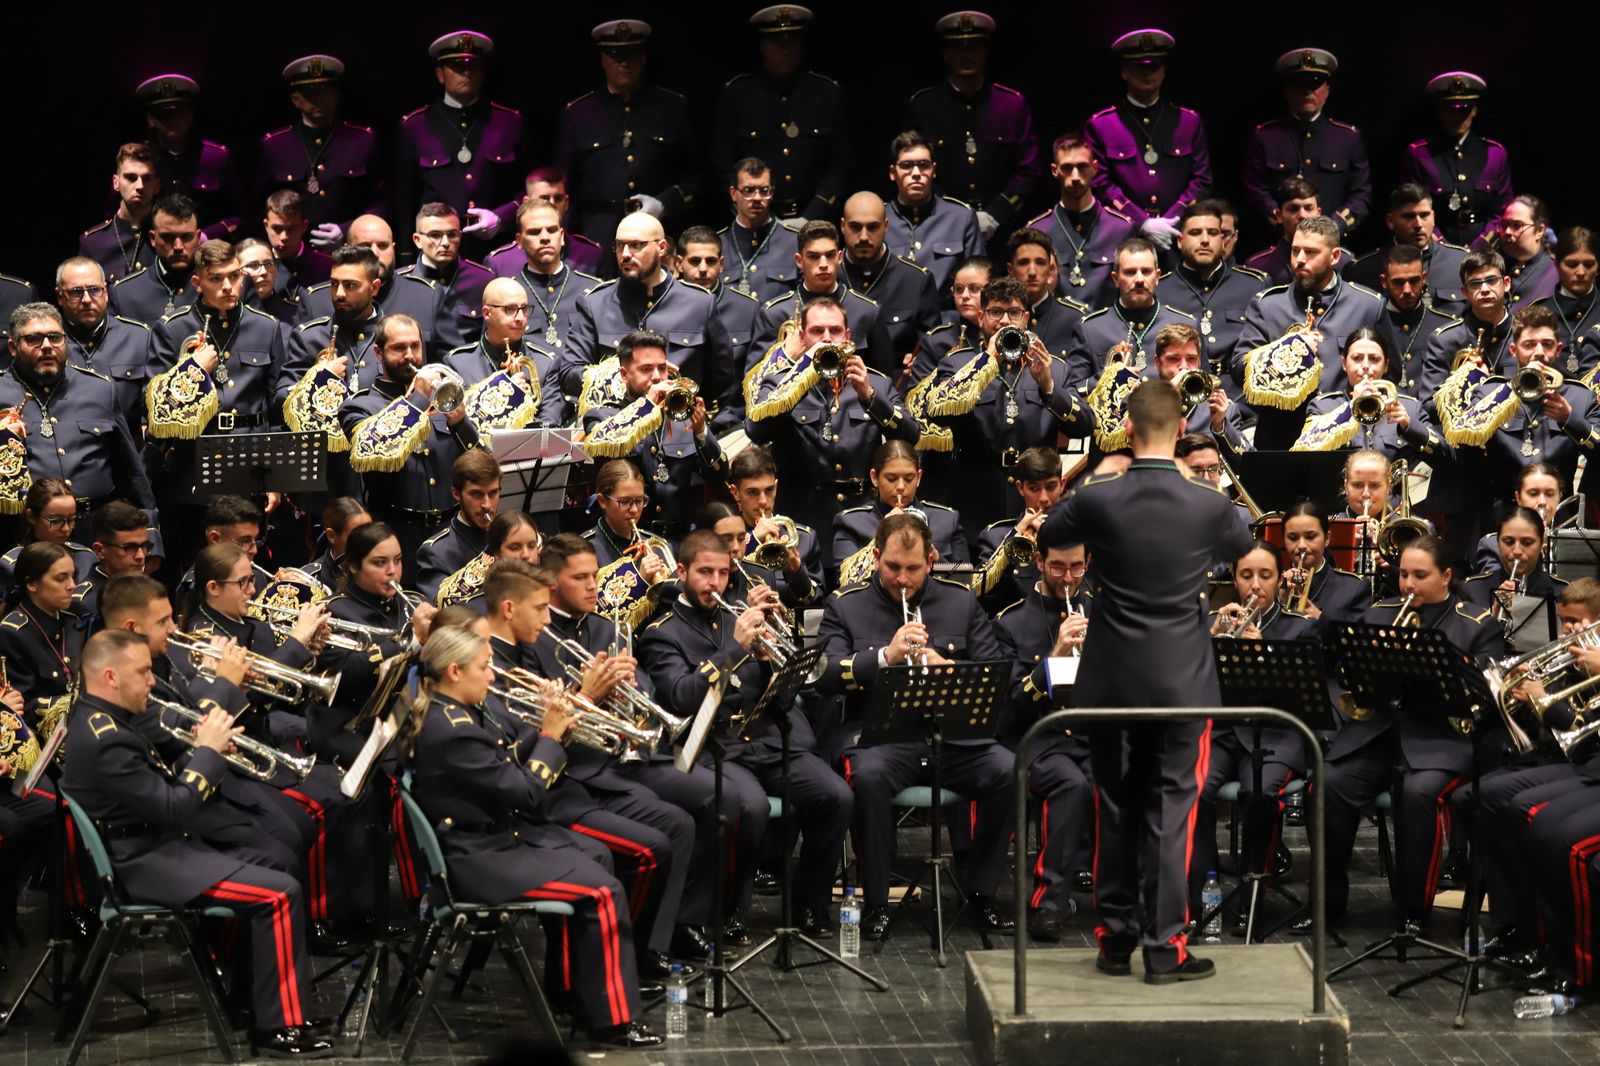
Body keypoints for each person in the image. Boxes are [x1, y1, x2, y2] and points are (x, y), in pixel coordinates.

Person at [1038, 378, 1253, 982]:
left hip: (1110, 678)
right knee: (1171, 811)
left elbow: (1050, 532)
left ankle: (1113, 940)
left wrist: (1088, 472)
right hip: (1182, 678)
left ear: (1127, 430)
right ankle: (1165, 950)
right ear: (1182, 429)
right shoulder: (1210, 502)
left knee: (1115, 804)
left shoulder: (1101, 496)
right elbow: (1243, 542)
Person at [62, 628, 332, 1058]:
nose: (152, 681)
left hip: (158, 847)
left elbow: (162, 787)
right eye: (144, 672)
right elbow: (174, 808)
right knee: (280, 895)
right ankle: (280, 1024)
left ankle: (256, 1001)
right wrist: (207, 751)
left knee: (278, 864)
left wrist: (205, 748)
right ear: (110, 677)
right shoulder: (105, 738)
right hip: (146, 864)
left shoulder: (108, 719)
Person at [404, 621, 661, 1048]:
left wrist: (545, 723)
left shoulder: (452, 712)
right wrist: (550, 736)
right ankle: (613, 1020)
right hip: (476, 859)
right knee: (602, 892)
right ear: (454, 671)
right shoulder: (454, 731)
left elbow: (502, 761)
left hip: (483, 842)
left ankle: (571, 992)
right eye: (484, 667)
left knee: (595, 861)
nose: (492, 674)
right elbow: (524, 791)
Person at [476, 560, 685, 981]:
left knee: (674, 826)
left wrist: (582, 702)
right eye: (540, 607)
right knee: (646, 850)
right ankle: (606, 966)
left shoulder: (523, 649)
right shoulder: (487, 664)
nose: (549, 616)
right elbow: (512, 747)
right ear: (512, 609)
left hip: (568, 781)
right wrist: (581, 699)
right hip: (541, 800)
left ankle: (637, 952)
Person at [638, 529, 852, 938]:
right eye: (704, 573)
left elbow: (780, 691)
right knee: (749, 808)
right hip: (716, 748)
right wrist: (735, 651)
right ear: (682, 572)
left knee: (836, 796)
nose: (715, 583)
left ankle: (809, 903)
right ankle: (728, 909)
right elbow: (683, 696)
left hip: (768, 738)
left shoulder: (739, 614)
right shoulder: (661, 633)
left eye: (721, 573)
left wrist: (772, 656)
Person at [529, 533, 732, 958]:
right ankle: (643, 946)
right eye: (581, 578)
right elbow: (539, 716)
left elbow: (643, 696)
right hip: (576, 771)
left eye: (594, 577)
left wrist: (632, 688)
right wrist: (589, 692)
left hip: (624, 758)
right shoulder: (535, 634)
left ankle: (671, 929)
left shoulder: (607, 625)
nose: (593, 587)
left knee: (716, 802)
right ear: (550, 584)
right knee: (672, 826)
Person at [816, 513, 1016, 941]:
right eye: (892, 567)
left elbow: (993, 673)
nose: (902, 579)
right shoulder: (844, 604)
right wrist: (885, 657)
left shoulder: (961, 602)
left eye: (913, 568)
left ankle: (980, 891)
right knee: (867, 778)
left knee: (1008, 771)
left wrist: (951, 669)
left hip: (952, 737)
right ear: (874, 557)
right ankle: (876, 902)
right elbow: (826, 674)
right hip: (881, 740)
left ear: (931, 559)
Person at [1313, 536, 1506, 934]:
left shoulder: (1476, 623)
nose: (1408, 585)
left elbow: (1487, 690)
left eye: (1420, 575)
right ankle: (1329, 902)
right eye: (1403, 574)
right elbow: (1353, 680)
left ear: (1446, 575)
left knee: (1418, 793)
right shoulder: (1379, 613)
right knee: (1329, 784)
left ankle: (1414, 909)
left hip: (1442, 739)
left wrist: (1442, 661)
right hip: (1380, 732)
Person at [1195, 542, 1318, 932]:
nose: (1255, 585)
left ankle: (1253, 891)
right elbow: (1192, 685)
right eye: (1246, 575)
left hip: (1277, 733)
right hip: (1225, 732)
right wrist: (1210, 642)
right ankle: (1203, 888)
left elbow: (1304, 696)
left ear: (1280, 578)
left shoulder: (1301, 626)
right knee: (1193, 790)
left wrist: (1261, 654)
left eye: (1265, 576)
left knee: (1261, 793)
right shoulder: (1217, 622)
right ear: (1235, 579)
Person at [746, 297, 919, 558]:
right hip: (804, 518)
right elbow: (756, 429)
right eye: (817, 331)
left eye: (835, 330)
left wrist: (869, 396)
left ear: (848, 336)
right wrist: (799, 374)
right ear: (802, 337)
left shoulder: (876, 383)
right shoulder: (782, 382)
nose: (827, 338)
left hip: (861, 520)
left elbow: (911, 436)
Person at [922, 278, 1091, 542]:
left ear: (1026, 318)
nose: (1004, 321)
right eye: (995, 312)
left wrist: (1048, 386)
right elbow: (935, 411)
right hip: (975, 497)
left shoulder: (1054, 367)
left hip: (1033, 497)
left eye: (1013, 313)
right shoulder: (957, 363)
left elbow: (1084, 425)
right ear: (981, 316)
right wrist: (986, 362)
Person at [995, 534, 1093, 941]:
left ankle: (1131, 901)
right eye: (1058, 567)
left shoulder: (1104, 611)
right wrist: (1054, 656)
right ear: (1039, 560)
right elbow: (1010, 708)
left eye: (1076, 567)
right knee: (1070, 784)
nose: (1068, 578)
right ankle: (1048, 904)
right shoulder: (1011, 622)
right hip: (1039, 736)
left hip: (1092, 732)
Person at [341, 313, 484, 565]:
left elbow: (482, 463)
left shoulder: (441, 398)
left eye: (415, 346)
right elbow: (373, 450)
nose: (410, 355)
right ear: (378, 352)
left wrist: (461, 423)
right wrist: (417, 400)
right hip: (397, 538)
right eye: (399, 348)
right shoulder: (360, 407)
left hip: (451, 536)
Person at [1233, 216, 1385, 449]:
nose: (1300, 260)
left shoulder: (1367, 305)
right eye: (1295, 251)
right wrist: (1286, 351)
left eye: (1311, 252)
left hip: (1346, 438)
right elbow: (1238, 369)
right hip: (1282, 437)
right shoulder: (1267, 305)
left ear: (1334, 256)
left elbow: (1387, 374)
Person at [560, 212, 736, 414]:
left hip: (678, 434)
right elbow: (569, 375)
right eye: (619, 245)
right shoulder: (594, 304)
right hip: (615, 431)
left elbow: (721, 380)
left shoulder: (700, 304)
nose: (625, 253)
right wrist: (623, 375)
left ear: (661, 248)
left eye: (636, 245)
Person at [0, 302, 159, 524]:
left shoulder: (99, 389)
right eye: (34, 339)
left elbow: (129, 471)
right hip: (26, 529)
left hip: (94, 524)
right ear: (13, 347)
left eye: (55, 337)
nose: (47, 346)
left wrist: (150, 532)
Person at [553, 20, 701, 255]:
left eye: (631, 55)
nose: (624, 63)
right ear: (602, 60)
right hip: (596, 237)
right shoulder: (579, 113)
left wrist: (666, 203)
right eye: (615, 56)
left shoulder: (672, 107)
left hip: (658, 232)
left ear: (643, 58)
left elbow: (698, 173)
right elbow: (563, 182)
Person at [906, 11, 1041, 242]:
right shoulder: (924, 106)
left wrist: (997, 213)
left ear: (985, 52)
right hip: (941, 230)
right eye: (959, 49)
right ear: (946, 54)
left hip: (1002, 230)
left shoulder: (1011, 105)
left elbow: (1028, 169)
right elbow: (915, 168)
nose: (967, 56)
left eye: (974, 48)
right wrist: (956, 215)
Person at [712, 6, 852, 224]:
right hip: (757, 221)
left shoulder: (827, 94)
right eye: (777, 43)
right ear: (763, 46)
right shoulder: (738, 95)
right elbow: (724, 167)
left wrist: (811, 217)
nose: (785, 51)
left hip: (817, 220)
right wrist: (758, 216)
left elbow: (841, 165)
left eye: (792, 43)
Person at [582, 329, 727, 539]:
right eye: (646, 369)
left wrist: (701, 432)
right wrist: (647, 405)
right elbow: (603, 444)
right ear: (624, 375)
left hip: (678, 540)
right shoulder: (602, 416)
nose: (657, 377)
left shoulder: (680, 415)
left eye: (662, 368)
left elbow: (718, 474)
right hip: (626, 538)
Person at [394, 31, 525, 256]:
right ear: (440, 74)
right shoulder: (415, 125)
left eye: (473, 67)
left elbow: (527, 188)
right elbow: (404, 199)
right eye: (457, 67)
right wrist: (407, 255)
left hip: (497, 246)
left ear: (483, 72)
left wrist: (502, 217)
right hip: (437, 250)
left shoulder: (509, 121)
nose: (466, 73)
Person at [1083, 29, 1211, 240]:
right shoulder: (1101, 125)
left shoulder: (1188, 121)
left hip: (1177, 233)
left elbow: (1202, 180)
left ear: (1164, 71)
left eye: (1154, 66)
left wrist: (1173, 218)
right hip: (1123, 233)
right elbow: (1100, 182)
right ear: (1124, 71)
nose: (1147, 73)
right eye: (1138, 67)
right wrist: (1142, 221)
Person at [255, 54, 385, 241]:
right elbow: (261, 209)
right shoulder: (275, 145)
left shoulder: (362, 140)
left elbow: (379, 202)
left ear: (337, 95)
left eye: (325, 91)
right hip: (294, 252)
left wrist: (348, 229)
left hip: (352, 250)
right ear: (295, 99)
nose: (318, 99)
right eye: (309, 93)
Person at [1241, 48, 1370, 237]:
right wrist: (1278, 218)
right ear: (1286, 91)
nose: (1308, 91)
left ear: (1327, 91)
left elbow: (1361, 195)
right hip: (1279, 239)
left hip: (1331, 242)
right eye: (1300, 84)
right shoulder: (1265, 137)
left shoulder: (1347, 137)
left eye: (1315, 84)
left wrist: (1334, 226)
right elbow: (1254, 190)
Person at [748, 220, 894, 376]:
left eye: (830, 255)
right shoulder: (774, 314)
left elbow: (884, 381)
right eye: (814, 256)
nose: (823, 264)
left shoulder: (868, 312)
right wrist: (786, 356)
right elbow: (754, 383)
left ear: (839, 257)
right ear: (799, 261)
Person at [1293, 328, 1449, 460]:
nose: (1366, 366)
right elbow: (1305, 453)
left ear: (1386, 365)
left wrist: (1410, 426)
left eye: (1374, 359)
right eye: (1357, 358)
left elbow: (1446, 455)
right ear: (1344, 364)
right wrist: (1349, 408)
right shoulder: (1323, 406)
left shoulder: (1410, 407)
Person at [1155, 199, 1266, 384]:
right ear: (1180, 241)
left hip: (1242, 396)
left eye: (1213, 233)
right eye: (1195, 233)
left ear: (1223, 241)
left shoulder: (1254, 285)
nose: (1205, 240)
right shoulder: (1160, 289)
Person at [1024, 133, 1140, 311]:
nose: (1076, 176)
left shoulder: (1121, 228)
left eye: (1082, 167)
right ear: (1055, 170)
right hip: (1055, 330)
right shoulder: (1038, 231)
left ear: (1094, 168)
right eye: (1067, 168)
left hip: (1107, 330)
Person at [1400, 72, 1513, 247]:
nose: (1458, 118)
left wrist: (1482, 245)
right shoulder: (1419, 155)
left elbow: (1503, 209)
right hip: (1436, 249)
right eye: (1451, 110)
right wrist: (1444, 248)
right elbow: (1413, 209)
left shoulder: (1495, 154)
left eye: (1465, 110)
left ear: (1475, 110)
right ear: (1439, 110)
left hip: (1485, 251)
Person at [1065, 237, 1197, 388]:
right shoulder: (1090, 330)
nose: (1139, 279)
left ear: (1157, 276)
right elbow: (1072, 393)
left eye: (1146, 271)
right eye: (1130, 272)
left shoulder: (1186, 326)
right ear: (1116, 279)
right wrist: (1108, 378)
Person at [131, 73, 247, 242]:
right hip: (152, 251)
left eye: (179, 111)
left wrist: (206, 237)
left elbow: (241, 214)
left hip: (206, 252)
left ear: (191, 114)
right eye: (163, 113)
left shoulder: (215, 157)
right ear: (151, 119)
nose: (173, 119)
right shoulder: (139, 159)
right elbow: (118, 214)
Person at [440, 275, 565, 426]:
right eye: (510, 309)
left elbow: (549, 424)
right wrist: (503, 395)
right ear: (487, 313)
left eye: (524, 308)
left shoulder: (546, 363)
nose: (520, 318)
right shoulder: (457, 364)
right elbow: (456, 425)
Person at [833, 440, 968, 572]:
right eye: (891, 479)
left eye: (909, 479)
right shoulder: (851, 523)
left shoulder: (947, 520)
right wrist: (883, 535)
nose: (901, 487)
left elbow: (965, 583)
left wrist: (936, 559)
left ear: (919, 477)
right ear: (875, 478)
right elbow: (846, 582)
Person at [840, 190, 940, 365]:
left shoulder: (916, 280)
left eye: (872, 227)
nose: (863, 236)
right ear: (843, 226)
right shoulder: (827, 276)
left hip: (897, 387)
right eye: (855, 227)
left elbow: (931, 352)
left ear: (885, 226)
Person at [52, 255, 149, 432]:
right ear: (60, 296)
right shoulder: (49, 343)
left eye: (94, 290)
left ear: (105, 292)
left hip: (126, 452)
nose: (87, 299)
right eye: (76, 292)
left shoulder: (139, 338)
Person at [493, 197, 600, 354]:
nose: (545, 238)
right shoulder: (504, 296)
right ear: (519, 240)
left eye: (552, 230)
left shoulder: (592, 291)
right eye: (534, 232)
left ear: (562, 236)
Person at [883, 130, 985, 293]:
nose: (916, 173)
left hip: (945, 316)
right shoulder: (878, 220)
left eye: (924, 165)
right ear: (893, 172)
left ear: (934, 170)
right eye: (906, 166)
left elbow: (979, 281)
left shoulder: (961, 218)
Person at [1345, 185, 1468, 318]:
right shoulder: (1362, 270)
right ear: (1390, 221)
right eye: (1409, 217)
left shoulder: (1460, 262)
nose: (1418, 224)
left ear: (1433, 217)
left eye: (1424, 215)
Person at [0, 542, 86, 729]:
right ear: (32, 584)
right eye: (61, 578)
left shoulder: (74, 622)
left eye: (73, 576)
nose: (72, 585)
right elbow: (24, 708)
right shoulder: (12, 633)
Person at [392, 202, 495, 356]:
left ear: (460, 236)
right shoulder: (399, 283)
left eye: (452, 234)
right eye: (435, 235)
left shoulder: (483, 280)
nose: (445, 243)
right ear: (417, 240)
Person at [484, 168, 606, 279]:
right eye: (544, 199)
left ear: (567, 202)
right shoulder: (500, 263)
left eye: (558, 198)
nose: (552, 204)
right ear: (526, 202)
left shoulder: (591, 256)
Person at [1369, 245, 1459, 395]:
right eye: (1398, 282)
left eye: (1414, 281)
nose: (1407, 290)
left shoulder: (1445, 326)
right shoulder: (1372, 323)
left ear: (1424, 278)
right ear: (1384, 282)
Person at [415, 450, 503, 600]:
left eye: (493, 493)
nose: (487, 505)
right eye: (476, 494)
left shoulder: (512, 538)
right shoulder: (435, 553)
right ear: (456, 494)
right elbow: (446, 609)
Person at [676, 225, 761, 371]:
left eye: (710, 261)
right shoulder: (665, 304)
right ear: (679, 264)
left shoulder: (748, 309)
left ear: (721, 264)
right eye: (695, 261)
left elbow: (755, 371)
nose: (703, 269)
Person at [107, 192, 200, 325]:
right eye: (168, 237)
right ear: (153, 239)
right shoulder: (124, 293)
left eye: (186, 237)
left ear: (198, 237)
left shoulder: (219, 286)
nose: (178, 246)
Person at [1463, 506, 1566, 624]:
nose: (1517, 551)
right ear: (1497, 541)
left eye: (1527, 543)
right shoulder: (1471, 590)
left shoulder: (1562, 593)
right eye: (1509, 542)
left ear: (1541, 543)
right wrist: (1493, 616)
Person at [1277, 501, 1373, 627]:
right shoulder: (1273, 586)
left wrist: (1321, 619)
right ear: (1283, 540)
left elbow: (1359, 641)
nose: (1301, 546)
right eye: (1293, 538)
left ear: (1327, 538)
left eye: (1310, 537)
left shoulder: (1354, 587)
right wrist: (1279, 602)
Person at [718, 157, 799, 302]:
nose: (757, 197)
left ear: (772, 193)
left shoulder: (795, 242)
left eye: (764, 190)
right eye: (748, 190)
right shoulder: (719, 244)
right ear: (733, 193)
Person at [79, 143, 161, 283]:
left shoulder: (167, 238)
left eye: (147, 179)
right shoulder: (93, 242)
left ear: (157, 185)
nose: (140, 186)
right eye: (131, 178)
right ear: (116, 183)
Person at [1470, 462, 1566, 573]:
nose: (1542, 502)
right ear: (1518, 497)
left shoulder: (1572, 544)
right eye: (1533, 493)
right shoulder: (1493, 545)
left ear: (1560, 496)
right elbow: (1493, 587)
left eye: (1550, 494)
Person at [0, 478, 96, 588]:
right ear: (31, 517)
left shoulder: (86, 558)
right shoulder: (11, 566)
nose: (66, 528)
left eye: (71, 519)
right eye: (55, 521)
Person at [1533, 227, 1600, 378]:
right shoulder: (1537, 314)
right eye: (1572, 264)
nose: (1581, 272)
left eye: (1589, 264)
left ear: (1598, 266)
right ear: (1556, 264)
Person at [74, 500, 156, 619]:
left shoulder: (148, 589)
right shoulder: (84, 604)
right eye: (129, 548)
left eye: (144, 546)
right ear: (100, 551)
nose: (141, 556)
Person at [1242, 178, 1324, 287]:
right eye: (1293, 209)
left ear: (1319, 213)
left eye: (1308, 208)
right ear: (1279, 216)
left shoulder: (1339, 261)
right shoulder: (1257, 267)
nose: (1302, 215)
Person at [1487, 196, 1557, 313]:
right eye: (1504, 225)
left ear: (1539, 231)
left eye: (1517, 225)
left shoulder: (1556, 271)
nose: (1508, 232)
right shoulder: (1493, 266)